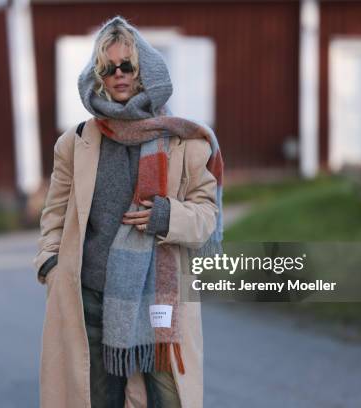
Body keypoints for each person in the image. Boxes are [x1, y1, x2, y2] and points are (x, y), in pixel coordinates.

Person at [33, 15, 224, 408]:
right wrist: (50, 264)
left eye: (128, 66)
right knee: (99, 399)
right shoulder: (77, 141)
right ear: (97, 76)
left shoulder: (183, 140)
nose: (119, 75)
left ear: (144, 72)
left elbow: (208, 216)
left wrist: (167, 216)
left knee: (169, 399)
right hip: (89, 295)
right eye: (108, 68)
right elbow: (55, 214)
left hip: (159, 295)